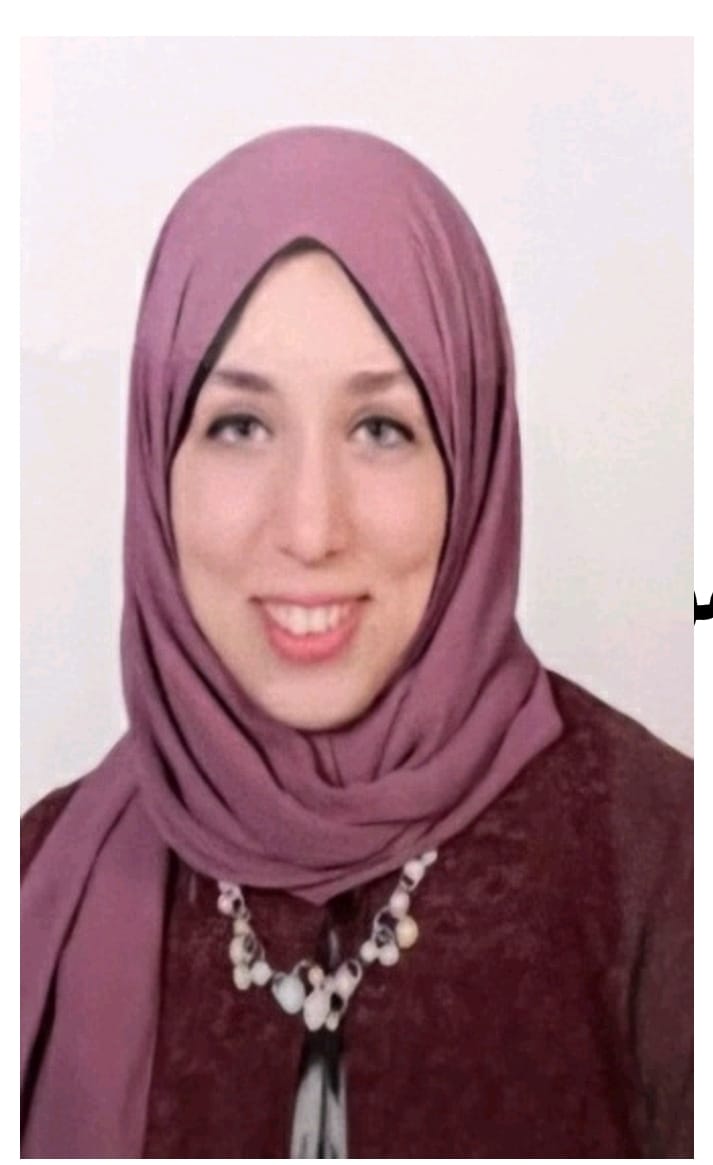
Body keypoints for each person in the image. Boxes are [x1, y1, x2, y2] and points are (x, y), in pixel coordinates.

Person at [20, 126, 692, 1159]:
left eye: (380, 428)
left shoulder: (663, 860)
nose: (308, 526)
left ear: (471, 460)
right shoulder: (38, 881)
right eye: (239, 426)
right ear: (155, 458)